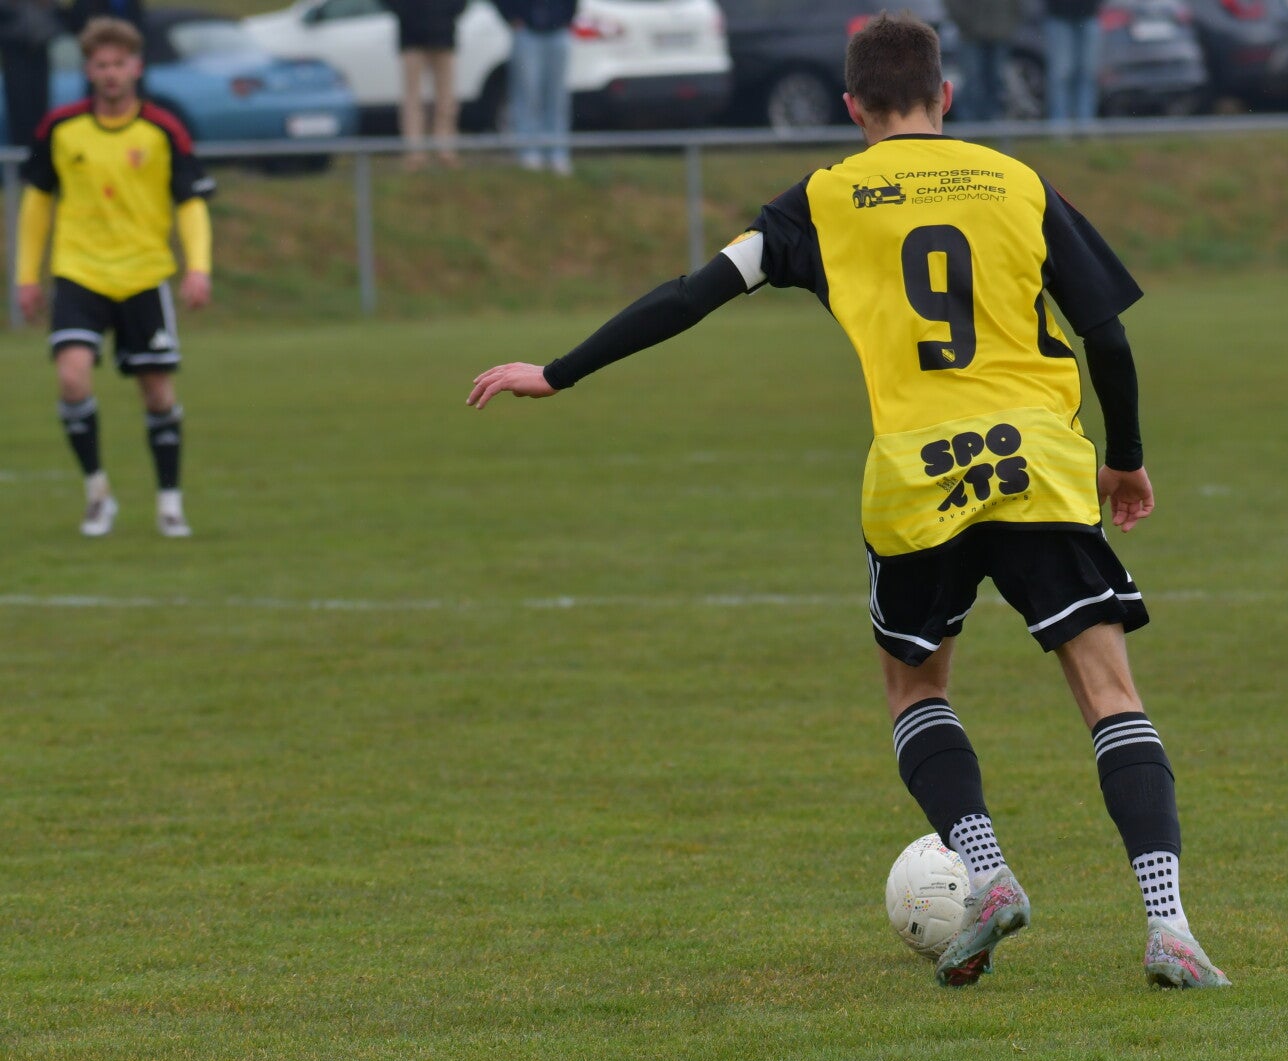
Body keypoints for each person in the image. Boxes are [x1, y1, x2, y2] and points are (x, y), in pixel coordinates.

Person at [469, 12, 1230, 991]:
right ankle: (1169, 926)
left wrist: (559, 371)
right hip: (1037, 462)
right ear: (945, 95)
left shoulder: (823, 199)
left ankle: (990, 874)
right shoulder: (1016, 182)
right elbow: (1107, 338)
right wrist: (1124, 459)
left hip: (916, 475)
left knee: (917, 689)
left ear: (851, 107)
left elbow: (692, 293)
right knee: (1109, 693)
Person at [13, 17, 214, 538]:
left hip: (144, 275)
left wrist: (198, 268)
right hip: (79, 272)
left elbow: (190, 203)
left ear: (136, 67)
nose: (110, 73)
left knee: (157, 393)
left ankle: (170, 503)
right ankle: (97, 494)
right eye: (101, 64)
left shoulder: (163, 129)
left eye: (119, 64)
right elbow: (36, 203)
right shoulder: (60, 129)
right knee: (72, 376)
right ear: (88, 70)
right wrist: (26, 275)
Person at [385, 0, 466, 170]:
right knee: (412, 98)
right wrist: (407, 13)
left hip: (443, 34)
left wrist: (446, 13)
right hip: (412, 37)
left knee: (446, 98)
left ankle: (445, 149)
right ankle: (414, 152)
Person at [499, 0, 574, 175]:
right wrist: (511, 17)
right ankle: (528, 152)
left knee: (557, 98)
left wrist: (566, 19)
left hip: (557, 31)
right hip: (527, 32)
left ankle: (557, 153)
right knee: (526, 95)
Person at [944, 0, 1021, 124]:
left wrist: (1011, 22)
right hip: (970, 33)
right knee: (972, 82)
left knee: (996, 81)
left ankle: (993, 123)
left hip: (1001, 30)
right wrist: (963, 20)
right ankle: (969, 124)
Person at [1, 0, 60, 149]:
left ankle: (41, 147)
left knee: (40, 102)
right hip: (13, 47)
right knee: (18, 103)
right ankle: (20, 150)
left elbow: (60, 12)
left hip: (40, 46)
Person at [1042, 0, 1101, 124]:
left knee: (1088, 74)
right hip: (1059, 15)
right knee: (1060, 75)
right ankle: (1059, 125)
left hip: (1089, 14)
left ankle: (1085, 123)